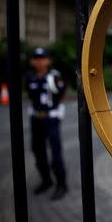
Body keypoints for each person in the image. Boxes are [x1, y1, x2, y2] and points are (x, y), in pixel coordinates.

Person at [26, 47, 68, 200]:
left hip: (51, 118)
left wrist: (60, 110)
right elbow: (31, 97)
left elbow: (62, 94)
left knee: (55, 152)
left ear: (48, 60)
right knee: (38, 151)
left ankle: (61, 184)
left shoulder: (54, 76)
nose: (39, 61)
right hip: (36, 118)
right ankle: (46, 180)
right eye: (36, 58)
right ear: (32, 61)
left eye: (42, 58)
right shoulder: (30, 77)